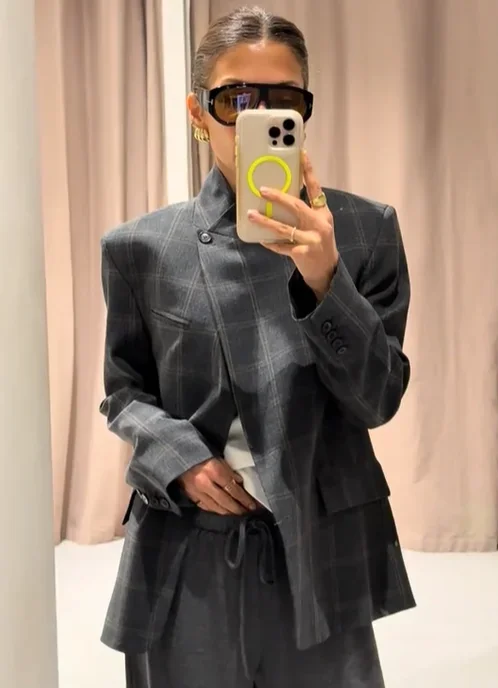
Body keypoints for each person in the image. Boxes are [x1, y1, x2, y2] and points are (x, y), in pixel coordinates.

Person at [99, 6, 415, 687]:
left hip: (319, 541)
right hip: (185, 543)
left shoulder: (365, 231)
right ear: (198, 112)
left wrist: (326, 281)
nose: (259, 117)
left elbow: (377, 399)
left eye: (283, 99)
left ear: (305, 108)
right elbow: (124, 392)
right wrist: (180, 459)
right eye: (237, 100)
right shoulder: (140, 247)